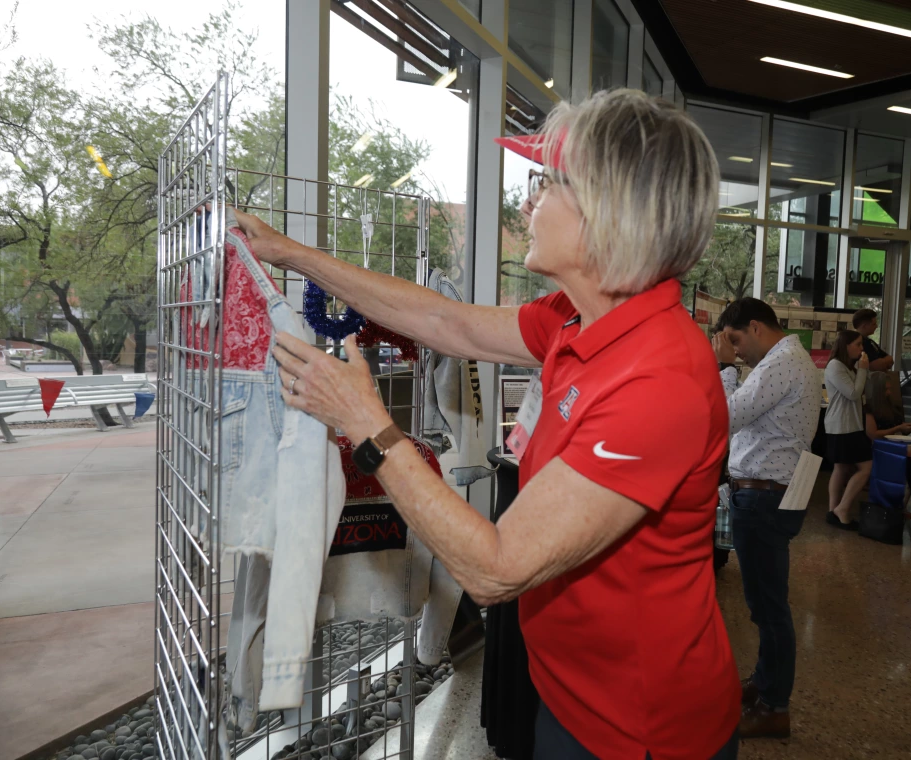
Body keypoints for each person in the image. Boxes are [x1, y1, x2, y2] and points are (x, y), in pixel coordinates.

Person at [230, 89, 740, 760]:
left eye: (550, 182)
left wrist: (366, 421)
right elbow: (448, 321)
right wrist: (292, 254)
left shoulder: (659, 382)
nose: (528, 201)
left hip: (639, 729)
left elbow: (496, 570)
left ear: (611, 210)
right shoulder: (578, 318)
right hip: (567, 689)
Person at [711, 297, 820, 741]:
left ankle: (775, 706)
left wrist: (723, 369)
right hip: (765, 497)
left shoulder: (783, 362)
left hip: (763, 501)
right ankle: (763, 683)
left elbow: (725, 416)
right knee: (763, 603)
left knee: (770, 608)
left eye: (735, 340)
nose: (734, 350)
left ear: (756, 327)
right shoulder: (787, 360)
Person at [824, 330, 871, 528]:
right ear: (846, 345)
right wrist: (863, 370)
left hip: (848, 424)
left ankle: (833, 510)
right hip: (843, 425)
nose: (861, 349)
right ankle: (842, 508)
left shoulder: (846, 367)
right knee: (866, 467)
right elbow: (853, 393)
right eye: (858, 344)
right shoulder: (835, 366)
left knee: (841, 467)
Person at [865, 372, 911, 440]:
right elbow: (873, 434)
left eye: (889, 389)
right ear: (877, 391)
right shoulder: (868, 408)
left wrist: (909, 427)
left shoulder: (890, 405)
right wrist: (897, 428)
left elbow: (899, 428)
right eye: (886, 389)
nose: (889, 392)